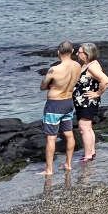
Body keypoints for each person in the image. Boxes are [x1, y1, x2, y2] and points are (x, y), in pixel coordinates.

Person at [39, 41, 81, 176]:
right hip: (68, 102)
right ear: (73, 51)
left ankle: (49, 170)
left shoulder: (54, 69)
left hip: (54, 105)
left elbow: (43, 86)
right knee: (69, 134)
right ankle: (68, 164)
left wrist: (51, 84)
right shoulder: (77, 66)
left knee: (51, 138)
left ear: (58, 52)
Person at [72, 43, 108, 163]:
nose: (77, 54)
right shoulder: (89, 64)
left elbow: (105, 80)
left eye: (79, 52)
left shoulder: (92, 67)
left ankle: (87, 155)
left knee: (84, 128)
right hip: (82, 102)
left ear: (87, 54)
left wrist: (98, 93)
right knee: (88, 128)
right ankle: (91, 152)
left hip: (87, 102)